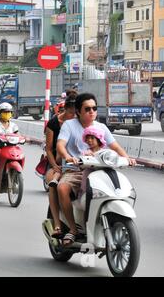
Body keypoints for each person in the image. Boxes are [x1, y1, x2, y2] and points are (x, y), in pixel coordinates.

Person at [56, 93, 136, 246]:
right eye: (87, 109)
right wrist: (67, 157)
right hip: (77, 170)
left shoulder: (101, 127)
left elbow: (115, 146)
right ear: (78, 111)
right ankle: (73, 229)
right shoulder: (69, 125)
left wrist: (128, 158)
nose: (91, 111)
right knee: (62, 188)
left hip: (100, 170)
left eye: (94, 108)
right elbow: (60, 144)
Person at [44, 93, 77, 239]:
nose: (73, 116)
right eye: (71, 113)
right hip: (58, 163)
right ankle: (57, 224)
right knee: (53, 184)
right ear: (65, 110)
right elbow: (49, 149)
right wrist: (55, 166)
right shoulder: (54, 123)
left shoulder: (82, 123)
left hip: (78, 164)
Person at [79, 126, 108, 197]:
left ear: (99, 139)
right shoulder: (86, 153)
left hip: (101, 178)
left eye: (92, 138)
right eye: (88, 138)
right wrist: (85, 159)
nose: (89, 140)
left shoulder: (104, 153)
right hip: (89, 178)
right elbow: (81, 166)